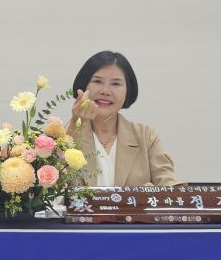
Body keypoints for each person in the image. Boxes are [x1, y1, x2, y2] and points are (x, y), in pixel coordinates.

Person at [67, 51, 181, 186]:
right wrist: (75, 126)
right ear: (84, 86)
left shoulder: (146, 136)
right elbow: (52, 191)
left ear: (128, 91)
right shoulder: (60, 137)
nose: (105, 91)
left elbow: (167, 182)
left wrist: (156, 194)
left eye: (115, 84)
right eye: (97, 81)